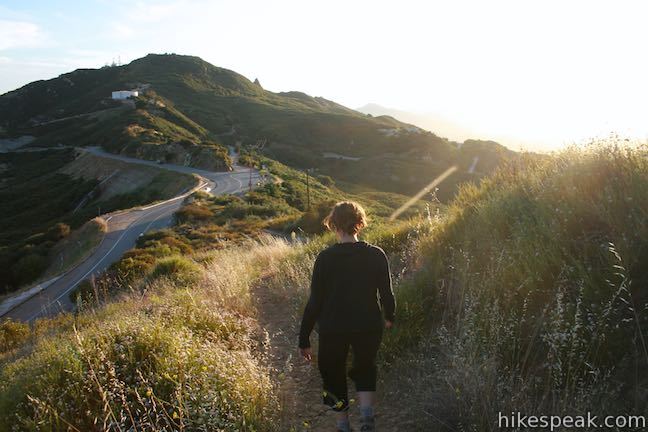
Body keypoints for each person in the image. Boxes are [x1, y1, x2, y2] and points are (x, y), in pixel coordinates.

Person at [298, 200, 395, 432]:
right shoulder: (376, 254)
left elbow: (315, 302)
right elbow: (386, 292)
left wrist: (304, 338)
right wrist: (390, 316)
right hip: (368, 324)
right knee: (365, 368)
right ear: (360, 223)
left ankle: (343, 425)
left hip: (333, 327)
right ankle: (367, 419)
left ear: (333, 224)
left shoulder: (325, 258)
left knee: (332, 373)